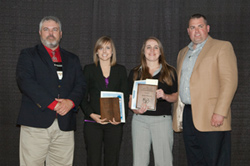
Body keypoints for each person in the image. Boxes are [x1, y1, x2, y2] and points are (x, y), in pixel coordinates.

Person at [16, 16, 86, 166]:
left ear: (61, 33)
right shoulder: (28, 55)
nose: (50, 33)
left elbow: (81, 85)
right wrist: (52, 103)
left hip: (64, 126)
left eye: (55, 29)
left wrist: (70, 102)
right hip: (35, 125)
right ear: (40, 32)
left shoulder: (72, 59)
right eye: (46, 29)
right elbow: (25, 82)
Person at [173, 13, 238, 166]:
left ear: (207, 28)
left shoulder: (222, 47)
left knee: (215, 161)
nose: (196, 31)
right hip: (188, 114)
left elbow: (230, 82)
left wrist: (220, 112)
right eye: (192, 27)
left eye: (200, 26)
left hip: (212, 115)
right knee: (194, 160)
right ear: (188, 31)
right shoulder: (182, 53)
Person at [128, 37, 178, 166]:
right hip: (140, 121)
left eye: (156, 47)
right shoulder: (134, 73)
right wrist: (135, 109)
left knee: (164, 162)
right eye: (148, 47)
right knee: (139, 162)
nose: (152, 50)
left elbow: (176, 96)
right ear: (143, 51)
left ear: (160, 52)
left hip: (162, 120)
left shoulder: (170, 71)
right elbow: (130, 100)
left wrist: (165, 96)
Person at [80, 36, 129, 166]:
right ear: (96, 51)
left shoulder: (121, 70)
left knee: (112, 161)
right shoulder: (89, 69)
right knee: (93, 160)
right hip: (93, 122)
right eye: (101, 48)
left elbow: (124, 97)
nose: (104, 51)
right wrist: (91, 114)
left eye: (108, 48)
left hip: (114, 123)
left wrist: (120, 118)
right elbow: (82, 97)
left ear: (112, 52)